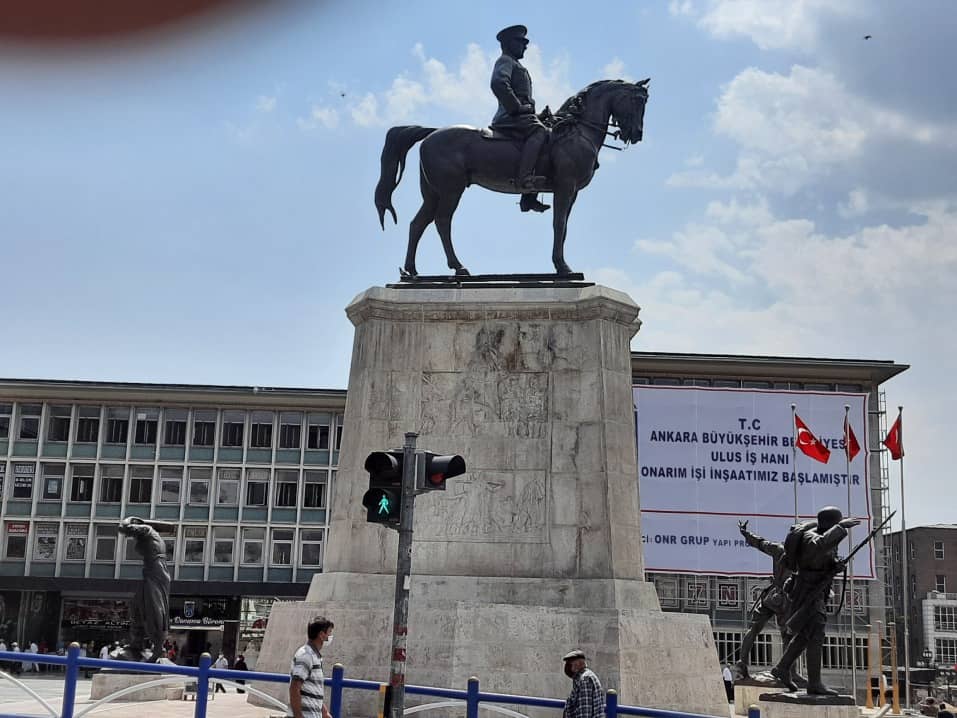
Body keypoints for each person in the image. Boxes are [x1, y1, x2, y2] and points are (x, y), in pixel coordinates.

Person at [768, 506, 860, 695]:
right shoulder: (811, 537)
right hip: (807, 591)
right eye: (836, 522)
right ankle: (814, 683)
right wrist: (841, 528)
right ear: (829, 523)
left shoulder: (823, 537)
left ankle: (783, 667)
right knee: (816, 634)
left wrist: (835, 566)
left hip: (816, 590)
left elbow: (821, 559)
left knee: (807, 635)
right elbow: (819, 546)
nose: (838, 526)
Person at [734, 520, 805, 686]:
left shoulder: (778, 549)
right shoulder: (802, 556)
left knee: (755, 628)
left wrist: (745, 533)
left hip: (772, 595)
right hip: (786, 598)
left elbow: (759, 542)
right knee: (787, 635)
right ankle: (791, 672)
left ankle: (741, 662)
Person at [490, 24, 551, 214]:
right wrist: (516, 108)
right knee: (540, 131)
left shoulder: (516, 64)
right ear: (509, 44)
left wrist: (537, 115)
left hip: (520, 116)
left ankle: (529, 199)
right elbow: (499, 83)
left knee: (548, 128)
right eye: (521, 42)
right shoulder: (505, 61)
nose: (525, 46)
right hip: (509, 117)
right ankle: (524, 179)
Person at [116, 517, 171, 662]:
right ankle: (136, 643)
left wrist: (130, 519)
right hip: (152, 572)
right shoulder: (150, 535)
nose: (132, 536)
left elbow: (123, 527)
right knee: (136, 605)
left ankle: (158, 646)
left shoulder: (147, 530)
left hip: (156, 573)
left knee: (154, 609)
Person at [288, 616, 334, 718]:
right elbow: (294, 688)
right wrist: (298, 716)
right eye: (329, 632)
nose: (330, 636)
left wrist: (324, 713)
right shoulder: (306, 656)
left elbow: (311, 691)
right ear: (322, 635)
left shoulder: (314, 656)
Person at [562, 650, 603, 718]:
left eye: (569, 664)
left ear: (577, 665)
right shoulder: (585, 677)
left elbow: (585, 711)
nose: (567, 668)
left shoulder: (585, 680)